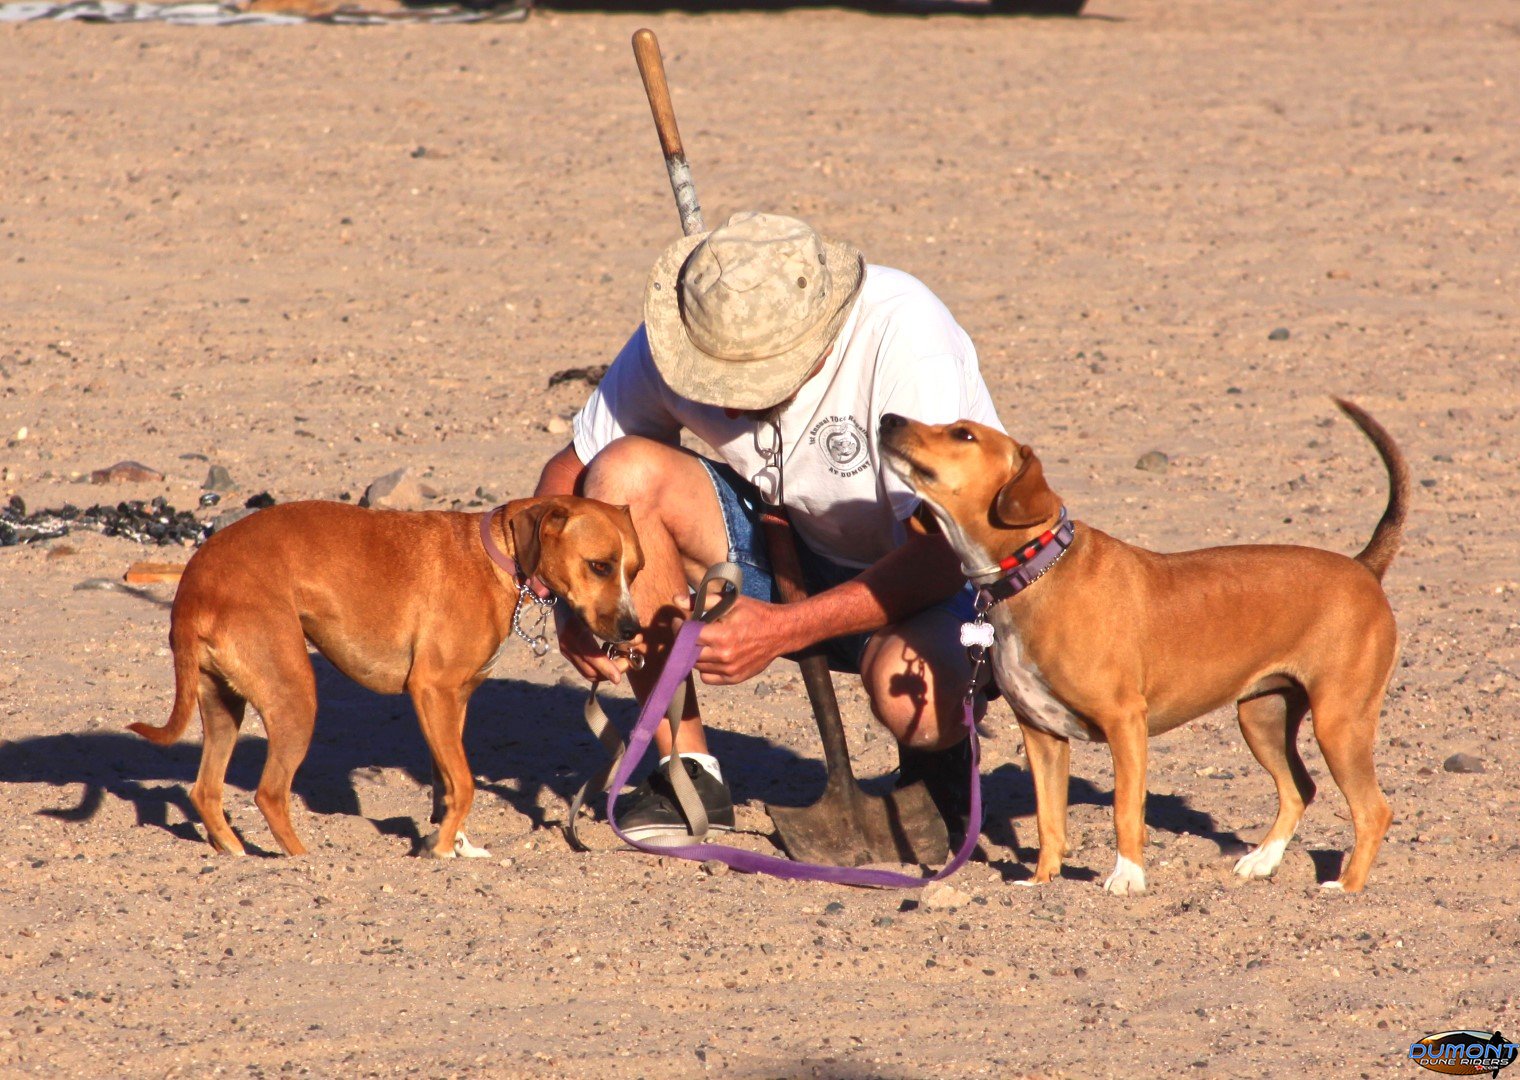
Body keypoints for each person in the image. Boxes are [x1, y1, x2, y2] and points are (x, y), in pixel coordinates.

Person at [534, 211, 1003, 842]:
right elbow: (572, 469)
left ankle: (938, 765)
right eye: (713, 376)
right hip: (781, 544)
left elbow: (943, 554)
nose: (726, 402)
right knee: (621, 476)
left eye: (751, 381)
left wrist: (783, 629)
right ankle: (686, 770)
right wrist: (570, 603)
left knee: (913, 701)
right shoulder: (687, 327)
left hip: (928, 574)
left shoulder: (906, 337)